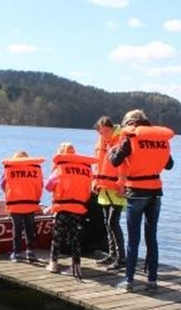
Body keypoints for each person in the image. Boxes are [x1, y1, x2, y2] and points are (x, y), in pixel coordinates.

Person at [109, 109, 174, 292]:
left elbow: (115, 161)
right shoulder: (160, 139)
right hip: (156, 193)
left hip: (136, 192)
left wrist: (111, 151)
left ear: (130, 123)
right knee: (151, 238)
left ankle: (129, 281)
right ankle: (152, 280)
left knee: (133, 240)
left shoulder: (130, 138)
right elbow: (169, 165)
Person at [44, 142, 97, 280]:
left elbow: (48, 186)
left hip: (62, 208)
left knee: (57, 236)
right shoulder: (86, 168)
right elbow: (90, 188)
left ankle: (53, 263)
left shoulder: (60, 168)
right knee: (75, 237)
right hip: (78, 208)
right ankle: (76, 266)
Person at [93, 116, 127, 272]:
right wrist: (95, 181)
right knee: (107, 223)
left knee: (113, 222)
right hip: (104, 188)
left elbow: (126, 165)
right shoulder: (102, 143)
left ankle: (122, 258)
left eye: (106, 131)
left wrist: (122, 185)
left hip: (117, 188)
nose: (104, 135)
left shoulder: (122, 140)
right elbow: (98, 164)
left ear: (112, 128)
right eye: (101, 132)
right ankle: (112, 255)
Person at [1, 150, 45, 263]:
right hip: (30, 204)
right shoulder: (35, 169)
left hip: (15, 204)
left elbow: (3, 184)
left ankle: (16, 253)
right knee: (30, 228)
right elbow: (40, 185)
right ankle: (30, 252)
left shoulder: (10, 168)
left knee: (17, 229)